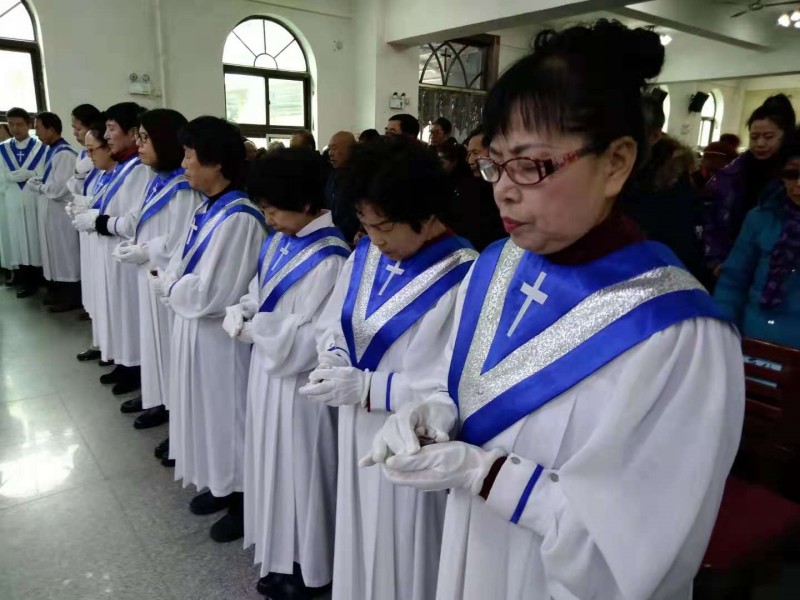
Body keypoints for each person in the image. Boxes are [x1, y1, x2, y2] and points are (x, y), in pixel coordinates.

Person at [364, 20, 744, 600]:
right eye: (494, 163)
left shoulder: (676, 333)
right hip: (475, 545)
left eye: (531, 165)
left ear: (616, 162)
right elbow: (464, 386)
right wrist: (433, 414)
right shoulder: (496, 265)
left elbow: (640, 544)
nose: (503, 190)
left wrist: (484, 473)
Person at [300, 138, 478, 600]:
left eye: (385, 225)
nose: (375, 238)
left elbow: (454, 386)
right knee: (359, 526)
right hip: (355, 421)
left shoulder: (465, 274)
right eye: (365, 224)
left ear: (425, 211)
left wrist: (370, 387)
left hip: (409, 436)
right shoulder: (367, 254)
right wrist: (335, 357)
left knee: (403, 544)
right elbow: (335, 322)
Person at [222, 148, 350, 598]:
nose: (268, 217)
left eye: (273, 208)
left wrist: (258, 329)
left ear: (308, 203)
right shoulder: (280, 239)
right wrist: (243, 309)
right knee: (271, 465)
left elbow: (313, 339)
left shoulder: (331, 258)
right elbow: (262, 293)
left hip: (300, 388)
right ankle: (280, 552)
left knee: (302, 471)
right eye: (263, 208)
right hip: (267, 374)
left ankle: (310, 564)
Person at [149, 116, 266, 542]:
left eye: (190, 156)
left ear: (216, 163)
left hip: (220, 339)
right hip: (193, 330)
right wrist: (173, 282)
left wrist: (170, 285)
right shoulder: (206, 207)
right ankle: (219, 483)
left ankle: (242, 498)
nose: (183, 164)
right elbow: (179, 266)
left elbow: (213, 293)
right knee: (203, 412)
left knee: (227, 416)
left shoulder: (239, 217)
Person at [110, 109, 203, 431]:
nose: (138, 143)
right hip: (148, 272)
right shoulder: (156, 178)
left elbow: (181, 241)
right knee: (152, 341)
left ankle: (173, 408)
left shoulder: (185, 187)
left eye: (145, 137)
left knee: (165, 344)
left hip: (168, 279)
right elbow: (139, 219)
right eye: (138, 136)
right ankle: (156, 395)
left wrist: (146, 249)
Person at [72, 102, 151, 394]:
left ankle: (133, 366)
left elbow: (132, 218)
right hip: (112, 247)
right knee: (117, 308)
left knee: (127, 310)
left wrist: (101, 221)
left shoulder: (138, 170)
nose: (106, 135)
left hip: (126, 250)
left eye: (111, 128)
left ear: (132, 133)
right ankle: (124, 360)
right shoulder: (123, 167)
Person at [714, 132, 800, 349]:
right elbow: (733, 280)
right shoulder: (760, 218)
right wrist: (723, 330)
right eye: (791, 174)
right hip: (754, 338)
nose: (798, 184)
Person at [620, 95, 711, 289]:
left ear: (654, 136)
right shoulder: (613, 169)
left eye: (633, 136)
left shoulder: (672, 181)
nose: (620, 146)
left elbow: (679, 249)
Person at [704, 94, 796, 274]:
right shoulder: (730, 175)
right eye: (754, 137)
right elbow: (710, 220)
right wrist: (716, 260)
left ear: (785, 137)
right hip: (728, 263)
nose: (760, 143)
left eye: (768, 137)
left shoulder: (791, 177)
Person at [69, 120, 118, 364]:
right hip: (94, 241)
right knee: (97, 299)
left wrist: (92, 214)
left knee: (111, 304)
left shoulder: (124, 172)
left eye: (92, 150)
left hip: (109, 244)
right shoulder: (100, 173)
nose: (88, 155)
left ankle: (114, 351)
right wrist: (81, 207)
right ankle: (102, 344)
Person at [26, 112, 80, 312]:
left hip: (61, 215)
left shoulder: (64, 153)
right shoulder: (52, 151)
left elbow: (59, 189)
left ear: (50, 129)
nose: (36, 132)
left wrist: (38, 187)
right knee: (56, 255)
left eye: (38, 128)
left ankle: (72, 297)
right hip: (52, 214)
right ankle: (58, 291)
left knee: (66, 255)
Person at [0, 107, 46, 297]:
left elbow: (47, 172)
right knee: (17, 237)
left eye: (19, 124)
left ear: (29, 125)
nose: (15, 128)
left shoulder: (41, 148)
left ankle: (40, 276)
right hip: (12, 199)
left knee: (36, 237)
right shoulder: (2, 149)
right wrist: (7, 177)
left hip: (34, 198)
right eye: (11, 124)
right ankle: (23, 278)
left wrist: (33, 174)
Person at [66, 104, 102, 320]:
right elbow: (76, 186)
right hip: (88, 223)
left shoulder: (103, 157)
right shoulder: (83, 155)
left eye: (78, 128)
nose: (75, 133)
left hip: (99, 224)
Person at [447, 128, 506, 251]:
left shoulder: (505, 189)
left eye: (475, 153)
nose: (470, 160)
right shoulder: (464, 186)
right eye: (469, 154)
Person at [325, 131, 359, 244]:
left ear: (351, 150)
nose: (330, 153)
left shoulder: (360, 177)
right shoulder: (333, 174)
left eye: (334, 148)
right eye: (329, 149)